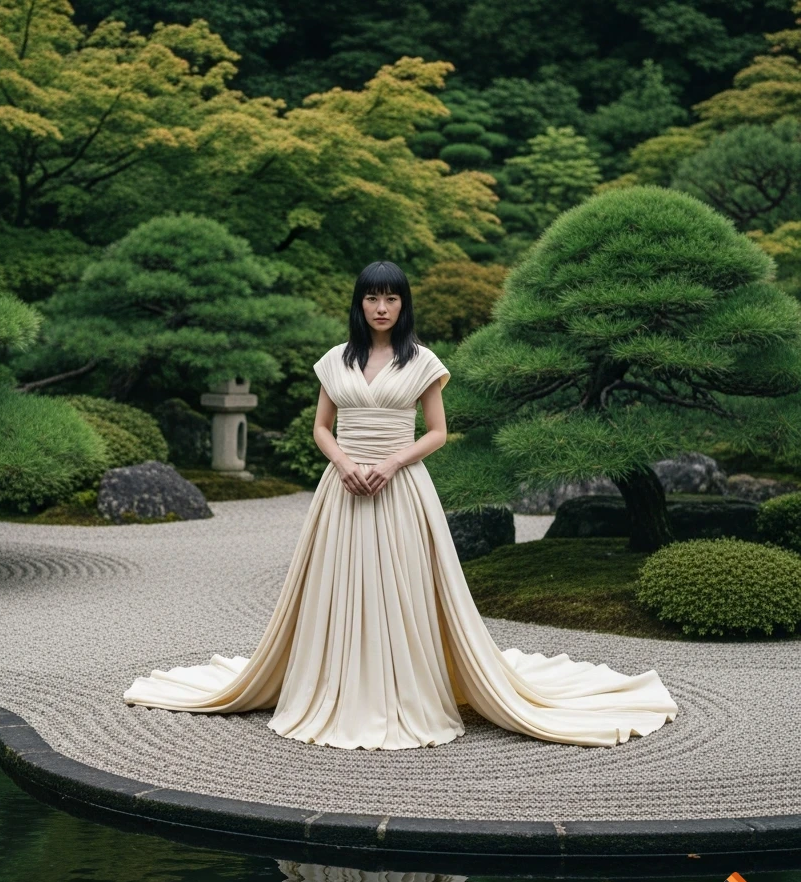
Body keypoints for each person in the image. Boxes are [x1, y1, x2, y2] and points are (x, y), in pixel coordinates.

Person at [123, 261, 679, 750]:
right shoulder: (334, 360)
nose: (382, 307)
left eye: (392, 298)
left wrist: (391, 464)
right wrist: (343, 463)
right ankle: (334, 684)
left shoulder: (422, 361)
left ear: (404, 304)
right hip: (341, 489)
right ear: (359, 303)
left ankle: (402, 690)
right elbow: (321, 427)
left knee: (401, 586)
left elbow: (437, 432)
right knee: (336, 587)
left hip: (401, 486)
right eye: (372, 297)